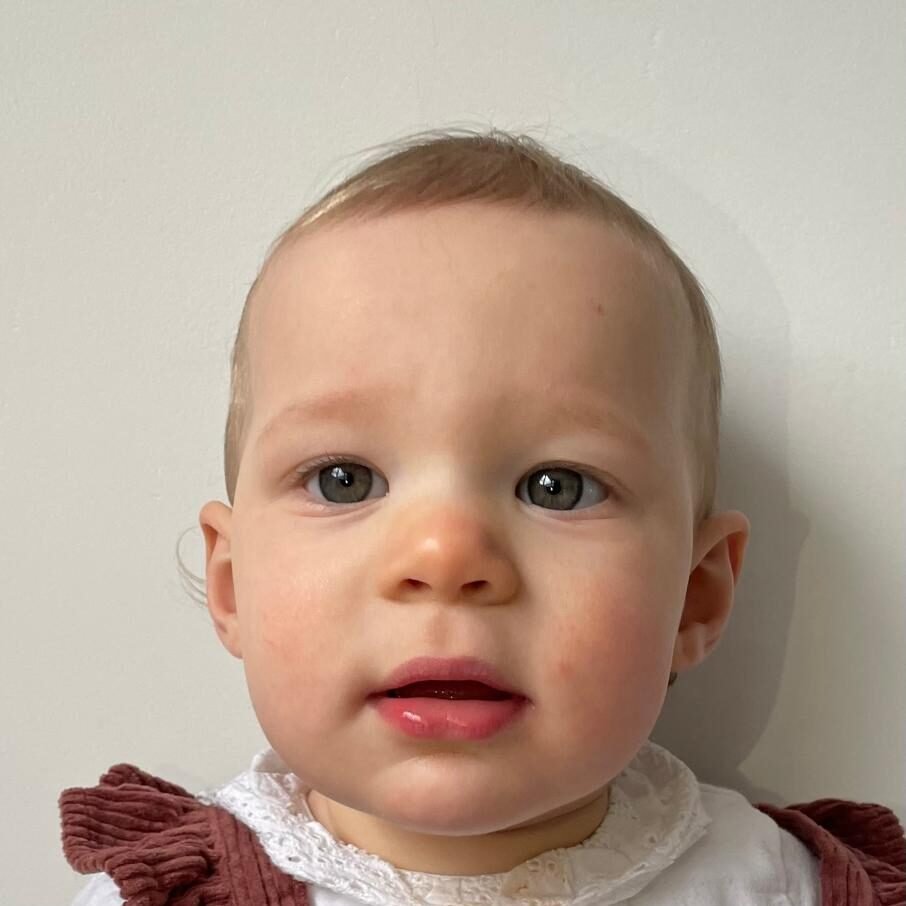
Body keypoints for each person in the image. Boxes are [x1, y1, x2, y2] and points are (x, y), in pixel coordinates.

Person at [59, 129, 905, 905]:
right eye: (345, 480)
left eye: (557, 486)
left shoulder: (782, 888)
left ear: (695, 596)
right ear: (233, 586)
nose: (445, 555)